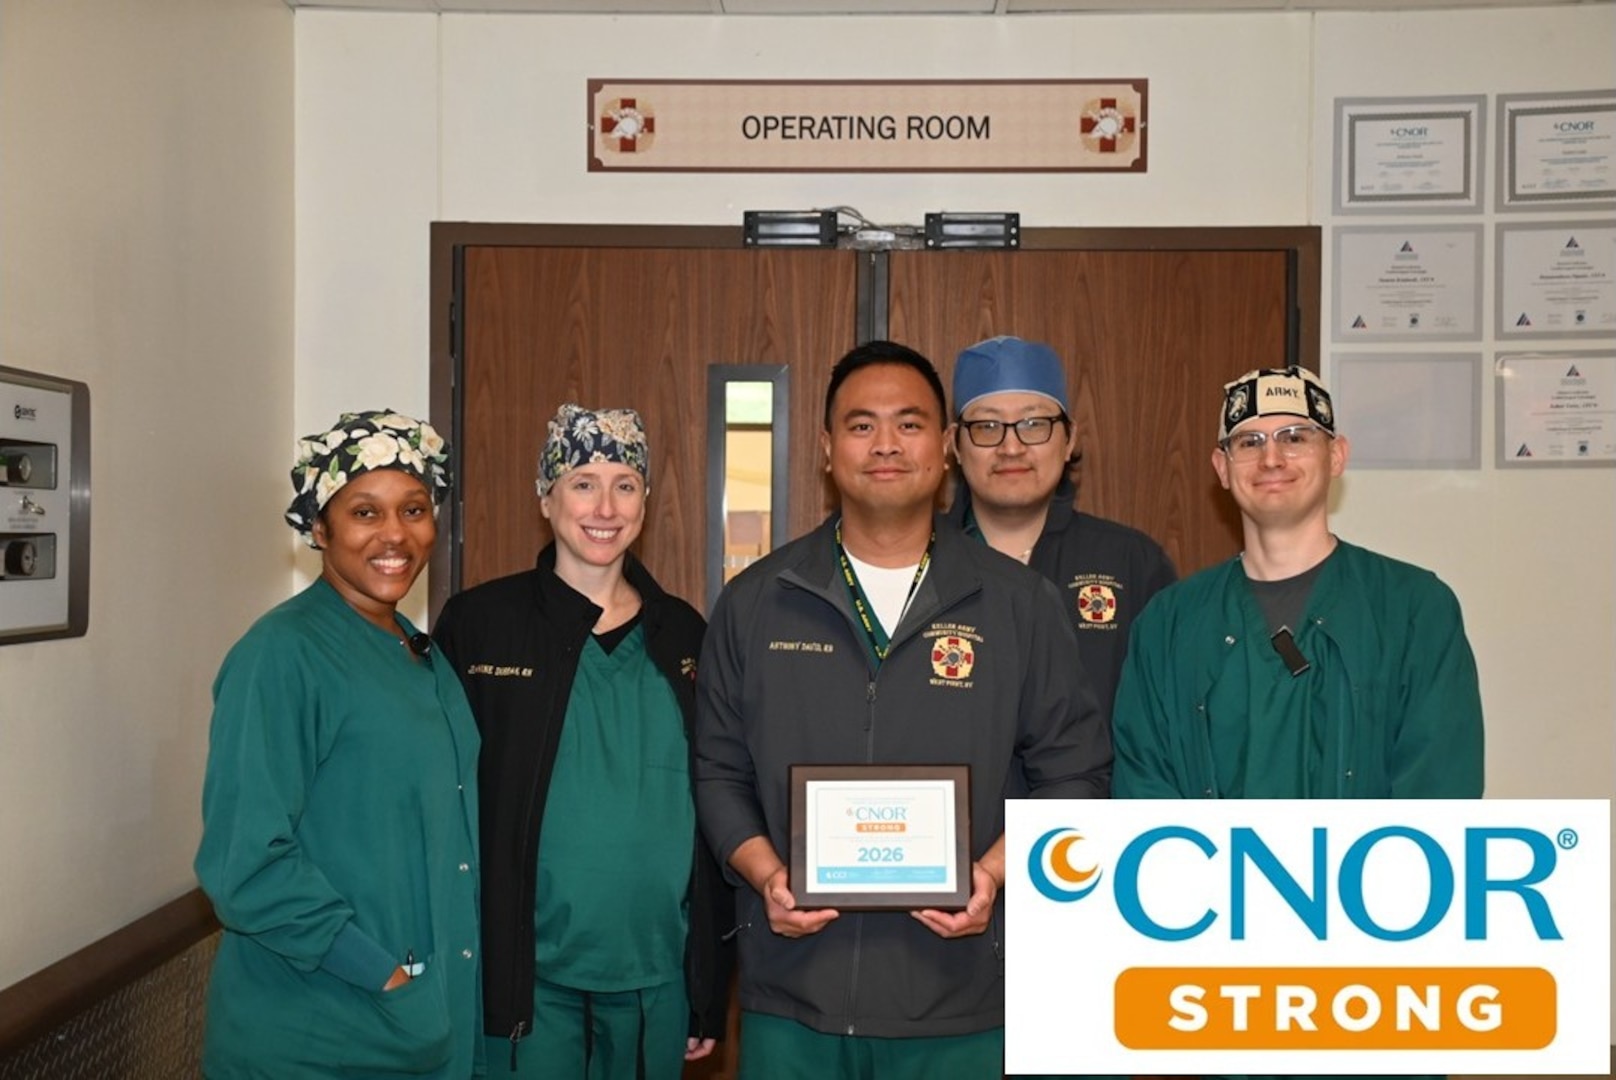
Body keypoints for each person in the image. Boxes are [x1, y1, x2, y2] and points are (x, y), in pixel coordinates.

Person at [695, 340, 1111, 1080]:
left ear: (946, 447)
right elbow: (718, 772)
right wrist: (766, 878)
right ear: (826, 449)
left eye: (910, 423)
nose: (885, 443)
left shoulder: (1017, 605)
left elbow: (1077, 775)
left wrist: (989, 874)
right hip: (793, 993)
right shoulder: (757, 601)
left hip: (960, 994)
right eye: (861, 425)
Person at [433, 404, 731, 1080]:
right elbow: (438, 797)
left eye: (625, 483)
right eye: (582, 481)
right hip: (523, 983)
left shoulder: (685, 636)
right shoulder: (480, 625)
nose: (605, 506)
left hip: (655, 979)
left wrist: (706, 988)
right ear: (546, 497)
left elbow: (720, 800)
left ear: (647, 501)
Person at [195, 410, 482, 1080]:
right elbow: (245, 862)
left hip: (408, 1024)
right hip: (318, 1028)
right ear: (319, 529)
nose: (395, 535)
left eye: (414, 509)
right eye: (364, 512)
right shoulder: (283, 654)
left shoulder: (417, 653)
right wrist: (380, 973)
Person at [1112, 364, 1483, 803]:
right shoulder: (1170, 623)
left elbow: (1439, 789)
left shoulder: (1415, 610)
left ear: (1337, 456)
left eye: (1295, 437)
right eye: (1249, 442)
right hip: (1209, 872)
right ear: (1223, 468)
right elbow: (1143, 787)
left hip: (1367, 870)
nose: (1272, 459)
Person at [946, 335, 1176, 723]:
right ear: (955, 443)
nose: (1011, 447)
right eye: (987, 426)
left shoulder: (1133, 563)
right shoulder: (919, 561)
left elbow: (1168, 721)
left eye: (1034, 424)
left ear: (1069, 438)